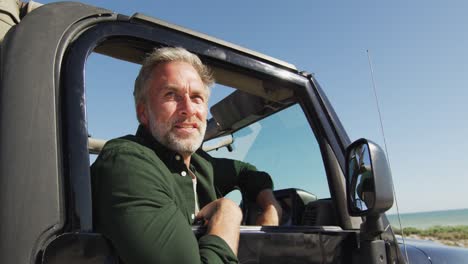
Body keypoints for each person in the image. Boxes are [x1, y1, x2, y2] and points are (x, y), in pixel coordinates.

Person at [91, 47, 282, 264]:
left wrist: (270, 206)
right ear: (143, 112)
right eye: (171, 95)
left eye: (197, 97)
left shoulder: (200, 164)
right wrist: (227, 213)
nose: (189, 109)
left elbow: (246, 172)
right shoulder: (127, 164)